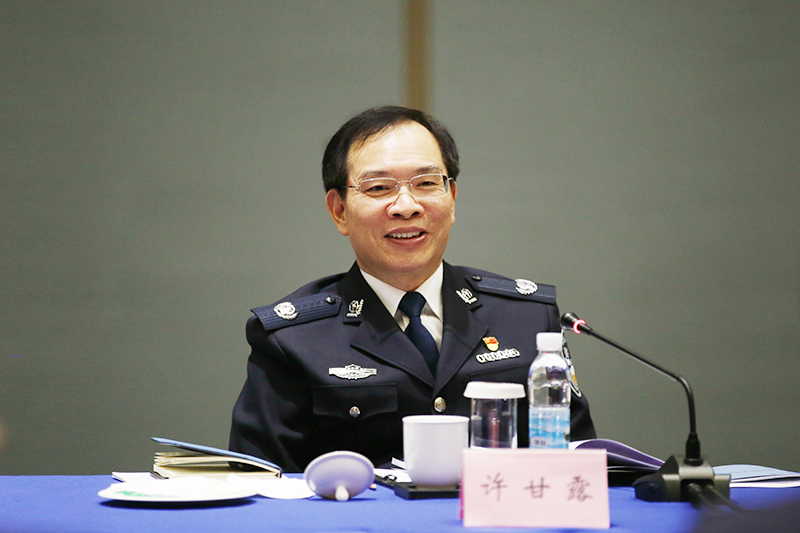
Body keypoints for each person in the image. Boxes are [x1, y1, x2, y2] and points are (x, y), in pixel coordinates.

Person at [229, 106, 595, 472]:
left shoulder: (527, 317)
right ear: (339, 210)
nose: (406, 207)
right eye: (378, 188)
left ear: (452, 197)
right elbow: (261, 482)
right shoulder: (293, 338)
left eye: (426, 183)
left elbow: (583, 466)